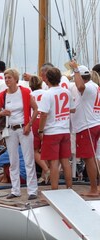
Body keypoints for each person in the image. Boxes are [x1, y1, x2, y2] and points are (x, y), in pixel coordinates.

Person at [0, 68, 38, 200]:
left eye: (9, 78)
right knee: (13, 161)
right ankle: (15, 190)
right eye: (5, 77)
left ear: (15, 79)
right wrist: (2, 113)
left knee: (28, 159)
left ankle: (32, 190)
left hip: (23, 128)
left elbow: (35, 109)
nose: (7, 80)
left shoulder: (25, 92)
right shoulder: (2, 95)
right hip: (10, 129)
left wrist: (29, 125)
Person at [38, 67, 74, 190]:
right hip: (64, 130)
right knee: (65, 161)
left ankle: (55, 189)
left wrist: (40, 130)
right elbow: (72, 109)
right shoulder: (67, 92)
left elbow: (43, 114)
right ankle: (69, 187)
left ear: (47, 79)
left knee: (53, 162)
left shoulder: (47, 94)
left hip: (52, 131)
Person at [69, 61, 100, 197]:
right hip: (95, 124)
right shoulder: (95, 86)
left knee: (89, 158)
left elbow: (80, 86)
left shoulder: (87, 87)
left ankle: (93, 188)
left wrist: (75, 69)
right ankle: (97, 186)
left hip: (87, 127)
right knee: (95, 157)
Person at [29, 75, 50, 184]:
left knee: (35, 150)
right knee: (45, 149)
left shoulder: (30, 95)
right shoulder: (47, 93)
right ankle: (43, 176)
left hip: (35, 121)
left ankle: (46, 170)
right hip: (47, 121)